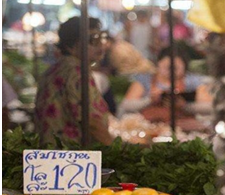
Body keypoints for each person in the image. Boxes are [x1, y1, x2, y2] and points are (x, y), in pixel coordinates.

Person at [34, 16, 114, 145]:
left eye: (101, 39)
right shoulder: (77, 72)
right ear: (71, 45)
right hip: (72, 156)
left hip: (51, 153)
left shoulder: (55, 69)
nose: (100, 45)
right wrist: (117, 151)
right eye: (93, 40)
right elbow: (92, 123)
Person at [118, 47, 211, 117]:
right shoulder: (145, 79)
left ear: (184, 67)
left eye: (175, 68)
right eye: (167, 67)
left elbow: (209, 107)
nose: (171, 71)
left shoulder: (193, 81)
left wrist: (185, 105)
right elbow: (126, 105)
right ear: (158, 64)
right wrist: (149, 100)